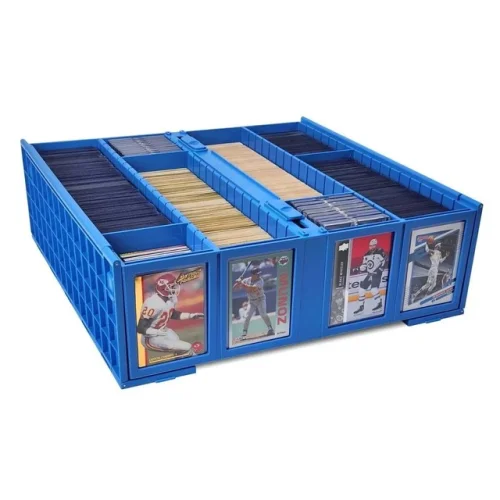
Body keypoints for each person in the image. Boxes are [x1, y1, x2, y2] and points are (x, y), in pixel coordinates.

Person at [137, 273, 204, 356]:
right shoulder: (152, 303)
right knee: (187, 347)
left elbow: (173, 314)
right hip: (150, 338)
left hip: (163, 331)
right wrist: (157, 332)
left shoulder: (171, 298)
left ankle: (182, 358)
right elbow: (140, 328)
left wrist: (191, 315)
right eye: (172, 286)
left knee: (178, 345)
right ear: (163, 288)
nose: (175, 288)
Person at [233, 268, 275, 339]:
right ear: (252, 275)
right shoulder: (246, 280)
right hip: (251, 301)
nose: (259, 275)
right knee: (247, 317)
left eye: (259, 274)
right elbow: (234, 289)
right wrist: (238, 282)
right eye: (257, 274)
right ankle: (244, 334)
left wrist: (241, 283)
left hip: (260, 299)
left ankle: (270, 329)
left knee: (263, 314)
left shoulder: (260, 281)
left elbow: (252, 288)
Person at [353, 238, 387, 316]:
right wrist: (359, 268)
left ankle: (379, 305)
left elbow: (384, 261)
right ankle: (361, 307)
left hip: (377, 274)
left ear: (376, 245)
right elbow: (364, 265)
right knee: (361, 290)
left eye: (373, 245)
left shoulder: (380, 251)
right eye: (370, 245)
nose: (371, 247)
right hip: (369, 274)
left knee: (374, 289)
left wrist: (380, 269)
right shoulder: (366, 254)